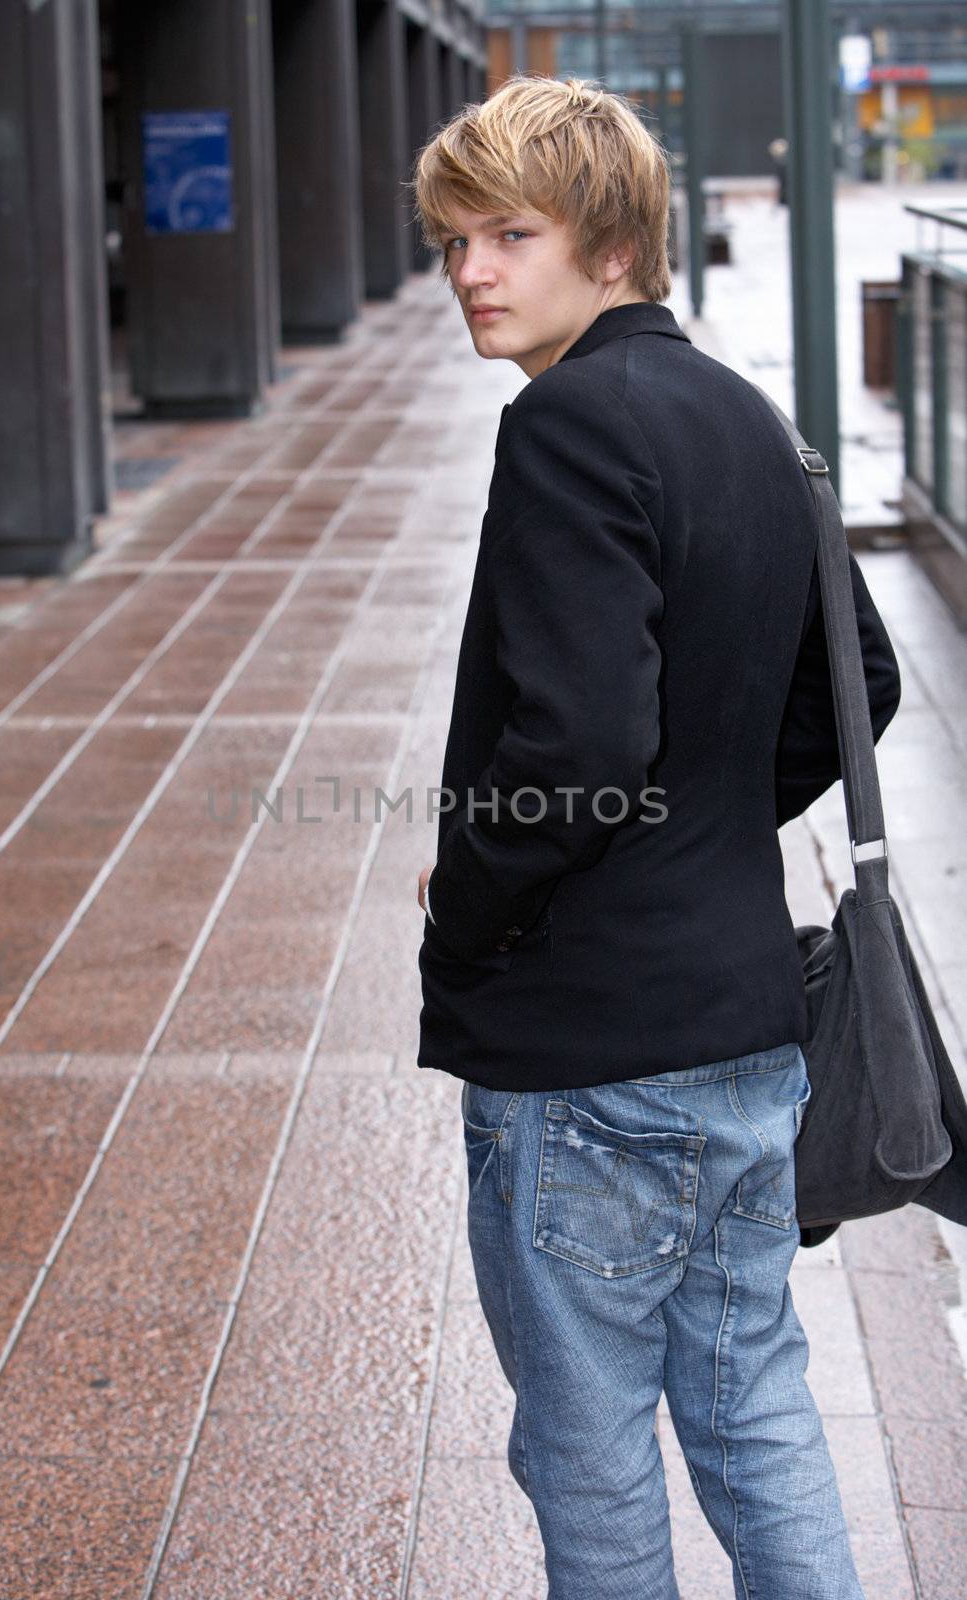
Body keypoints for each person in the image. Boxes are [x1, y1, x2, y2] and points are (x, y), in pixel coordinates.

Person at [408, 74, 901, 1600]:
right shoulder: (746, 414)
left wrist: (469, 915)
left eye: (508, 235)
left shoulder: (567, 426)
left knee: (589, 1441)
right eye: (452, 243)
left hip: (589, 1050)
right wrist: (695, 822)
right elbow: (861, 682)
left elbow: (575, 741)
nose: (471, 273)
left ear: (613, 247)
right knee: (753, 1409)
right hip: (746, 1026)